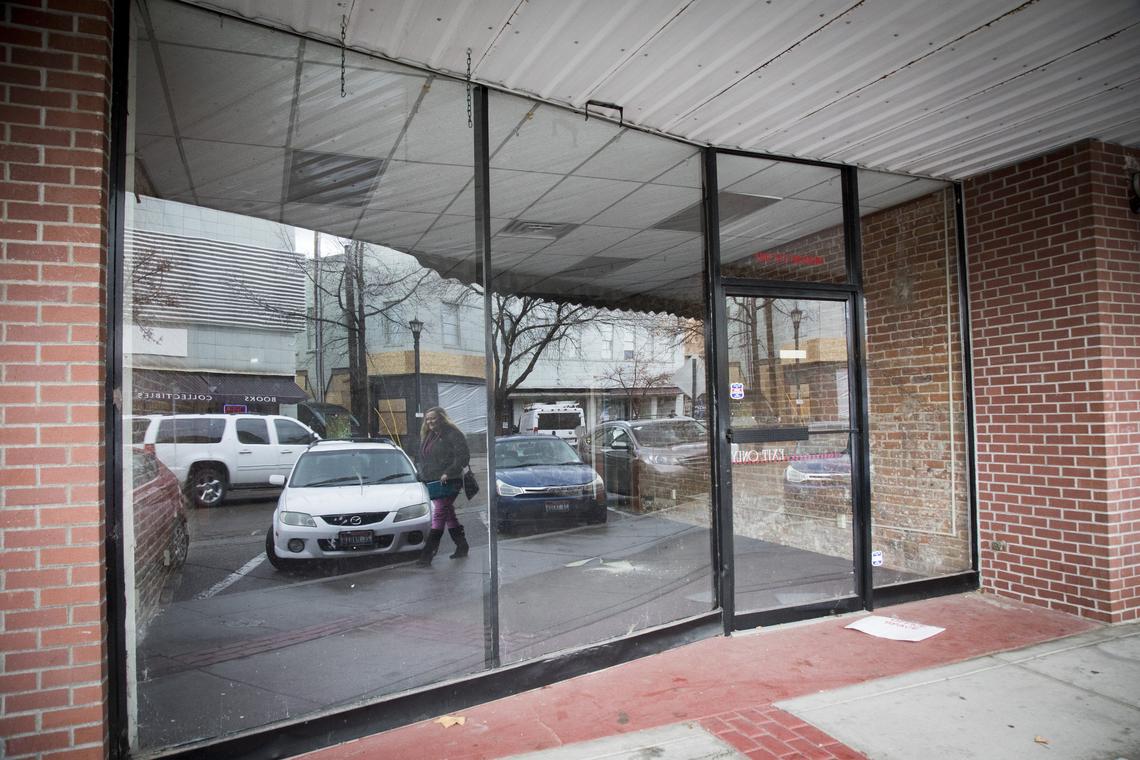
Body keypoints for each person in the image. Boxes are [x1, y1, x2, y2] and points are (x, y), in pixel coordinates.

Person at [415, 406, 470, 566]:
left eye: (433, 418)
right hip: (433, 481)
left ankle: (427, 555)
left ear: (442, 418)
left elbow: (463, 457)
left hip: (449, 480)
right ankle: (462, 546)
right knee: (448, 514)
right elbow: (425, 458)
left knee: (439, 513)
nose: (430, 421)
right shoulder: (429, 435)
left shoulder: (453, 434)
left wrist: (448, 472)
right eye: (427, 419)